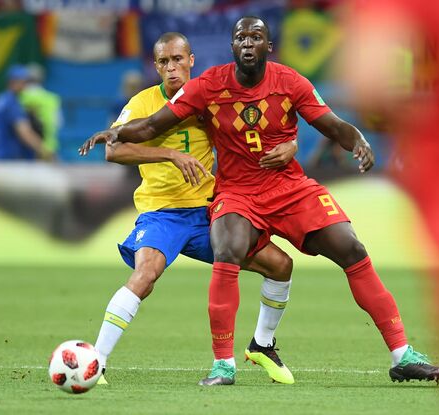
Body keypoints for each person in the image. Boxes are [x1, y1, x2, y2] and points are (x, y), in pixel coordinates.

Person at [79, 17, 439, 386]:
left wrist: (357, 141)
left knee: (347, 249)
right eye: (241, 37)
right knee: (224, 251)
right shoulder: (206, 88)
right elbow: (149, 127)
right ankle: (221, 365)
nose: (248, 43)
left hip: (288, 188)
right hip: (230, 194)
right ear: (232, 46)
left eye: (256, 37)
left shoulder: (290, 81)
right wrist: (114, 132)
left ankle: (398, 355)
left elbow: (331, 124)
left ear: (268, 47)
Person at [84, 32, 299, 386]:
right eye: (164, 62)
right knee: (145, 275)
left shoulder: (210, 99)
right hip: (161, 213)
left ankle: (261, 344)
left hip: (207, 214)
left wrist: (290, 142)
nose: (171, 68)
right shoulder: (142, 103)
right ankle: (97, 361)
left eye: (178, 60)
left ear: (191, 61)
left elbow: (254, 128)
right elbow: (113, 149)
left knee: (280, 265)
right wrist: (169, 153)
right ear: (155, 66)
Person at [341, 0, 439, 393]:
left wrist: (422, 130)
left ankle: (401, 354)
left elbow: (368, 83)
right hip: (245, 194)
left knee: (350, 250)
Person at [0, 64, 54, 160]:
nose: (25, 86)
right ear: (14, 82)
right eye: (23, 82)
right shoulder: (12, 103)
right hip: (8, 158)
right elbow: (24, 132)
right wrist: (45, 151)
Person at [19, 63, 62, 156]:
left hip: (25, 149)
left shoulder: (19, 98)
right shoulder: (52, 98)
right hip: (49, 148)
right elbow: (58, 123)